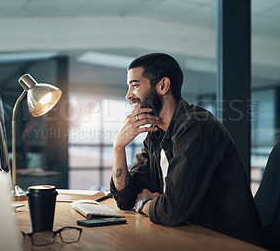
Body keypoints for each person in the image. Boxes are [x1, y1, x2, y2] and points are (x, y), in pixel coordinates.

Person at [110, 53, 265, 247]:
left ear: (163, 86)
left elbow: (172, 211)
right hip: (190, 236)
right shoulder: (156, 134)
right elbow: (126, 198)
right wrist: (118, 147)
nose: (128, 95)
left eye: (135, 85)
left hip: (226, 242)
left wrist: (143, 204)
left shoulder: (196, 126)